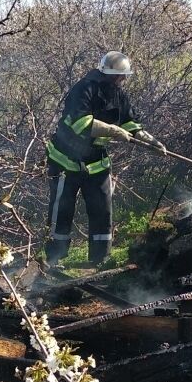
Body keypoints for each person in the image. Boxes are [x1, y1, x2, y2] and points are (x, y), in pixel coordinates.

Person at [44, 51, 165, 266]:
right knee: (61, 210)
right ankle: (54, 259)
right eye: (120, 75)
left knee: (102, 210)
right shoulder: (84, 89)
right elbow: (81, 123)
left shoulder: (118, 94)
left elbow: (129, 122)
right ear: (109, 74)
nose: (123, 79)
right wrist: (113, 131)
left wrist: (149, 140)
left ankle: (100, 259)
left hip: (96, 162)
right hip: (65, 160)